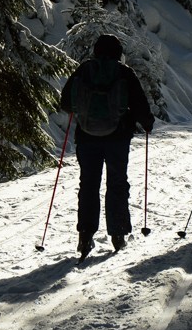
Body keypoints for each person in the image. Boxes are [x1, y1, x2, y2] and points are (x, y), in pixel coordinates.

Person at [61, 34, 155, 258]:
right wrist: (147, 123)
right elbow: (140, 103)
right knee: (117, 183)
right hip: (118, 138)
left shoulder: (84, 70)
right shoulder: (124, 72)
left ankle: (85, 235)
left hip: (86, 137)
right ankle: (118, 234)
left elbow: (66, 103)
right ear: (118, 52)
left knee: (89, 185)